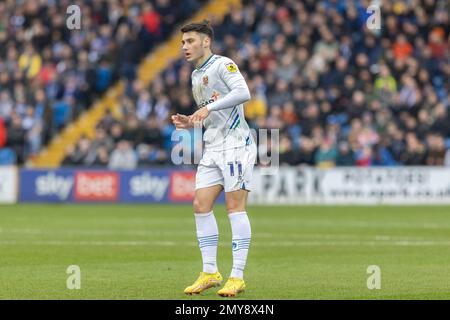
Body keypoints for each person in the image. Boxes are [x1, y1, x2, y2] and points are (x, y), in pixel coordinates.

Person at [171, 20, 256, 297]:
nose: (185, 47)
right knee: (200, 204)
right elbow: (212, 114)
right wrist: (191, 122)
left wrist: (207, 108)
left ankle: (237, 276)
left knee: (235, 207)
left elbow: (243, 93)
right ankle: (210, 272)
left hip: (235, 145)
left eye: (190, 41)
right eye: (183, 42)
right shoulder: (197, 75)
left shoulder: (223, 64)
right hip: (212, 146)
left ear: (206, 42)